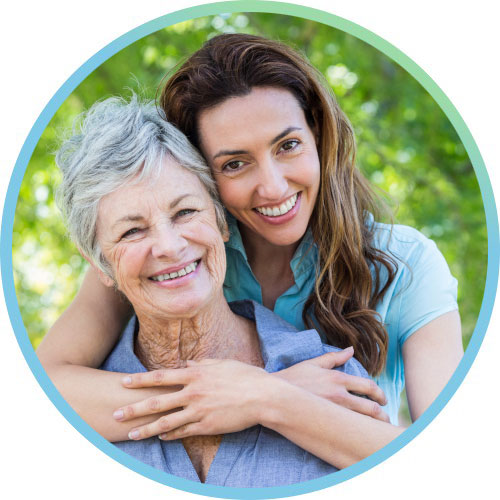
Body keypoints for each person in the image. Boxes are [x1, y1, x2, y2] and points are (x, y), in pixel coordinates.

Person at [37, 34, 462, 467]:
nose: (274, 186)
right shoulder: (173, 260)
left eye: (288, 145)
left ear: (317, 135)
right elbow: (42, 389)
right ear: (199, 172)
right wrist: (235, 393)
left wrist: (267, 397)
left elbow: (447, 462)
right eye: (235, 164)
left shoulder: (408, 262)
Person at [49, 95, 384, 486]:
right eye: (132, 231)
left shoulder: (334, 379)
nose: (170, 246)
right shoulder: (66, 410)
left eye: (185, 212)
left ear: (222, 223)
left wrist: (266, 395)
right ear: (99, 264)